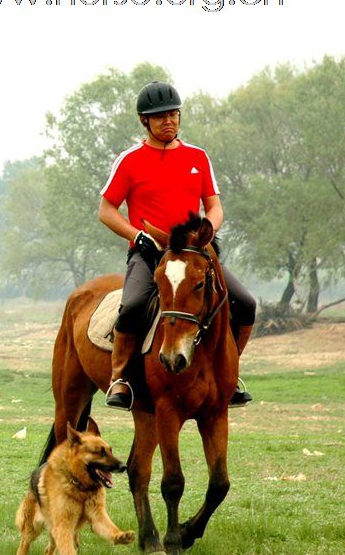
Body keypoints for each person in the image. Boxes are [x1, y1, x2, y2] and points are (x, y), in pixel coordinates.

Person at [99, 81, 256, 411]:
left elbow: (214, 206)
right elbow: (106, 211)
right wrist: (136, 234)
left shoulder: (197, 157)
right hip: (150, 254)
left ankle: (229, 373)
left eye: (173, 115)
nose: (169, 121)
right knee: (132, 306)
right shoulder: (130, 161)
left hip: (194, 253)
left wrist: (207, 230)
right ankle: (121, 379)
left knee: (245, 302)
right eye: (160, 117)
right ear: (145, 121)